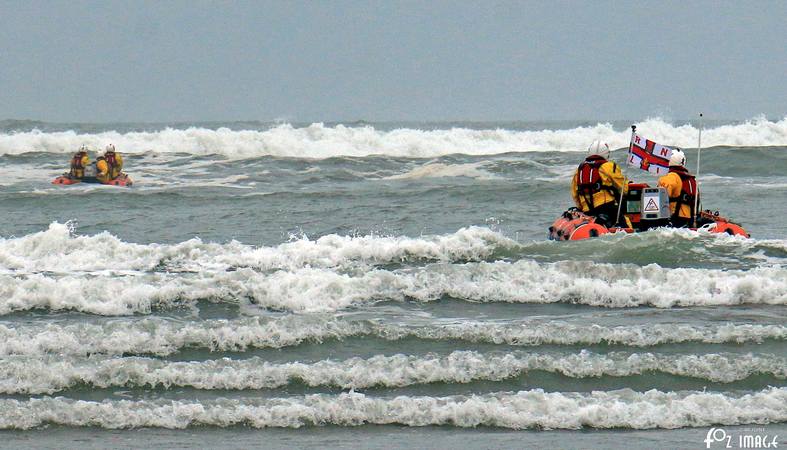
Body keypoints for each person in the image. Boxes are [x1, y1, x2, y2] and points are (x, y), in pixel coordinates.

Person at [571, 141, 628, 227]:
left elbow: (575, 194)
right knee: (626, 224)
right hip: (607, 208)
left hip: (587, 211)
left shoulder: (579, 170)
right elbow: (624, 188)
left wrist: (582, 208)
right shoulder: (608, 166)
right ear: (606, 154)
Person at [658, 148, 698, 228]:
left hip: (675, 219)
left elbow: (661, 198)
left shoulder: (670, 177)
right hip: (690, 219)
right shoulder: (692, 180)